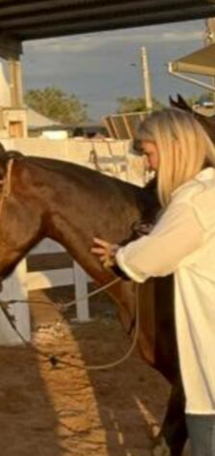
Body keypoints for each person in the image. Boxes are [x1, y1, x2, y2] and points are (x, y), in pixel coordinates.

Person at [91, 109, 215, 455]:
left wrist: (118, 255)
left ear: (175, 146)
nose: (148, 165)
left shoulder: (192, 201)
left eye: (149, 152)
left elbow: (147, 260)